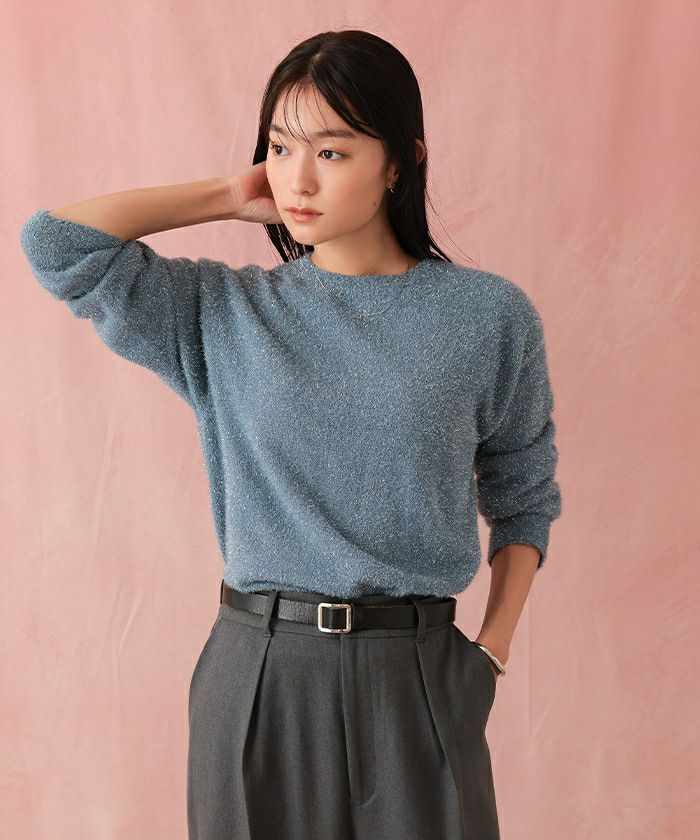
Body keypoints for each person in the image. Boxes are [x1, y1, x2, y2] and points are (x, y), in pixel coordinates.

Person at [20, 28, 561, 840]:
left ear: (400, 162)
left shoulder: (488, 316)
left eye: (332, 152)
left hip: (418, 674)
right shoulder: (222, 312)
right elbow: (57, 244)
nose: (298, 180)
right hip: (260, 672)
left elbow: (524, 495)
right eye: (279, 147)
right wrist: (225, 195)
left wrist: (490, 651)